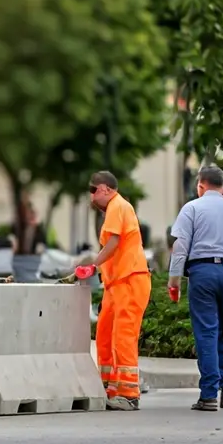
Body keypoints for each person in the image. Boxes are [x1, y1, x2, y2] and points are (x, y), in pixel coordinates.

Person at [168, 165, 223, 411]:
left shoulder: (192, 208)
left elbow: (181, 247)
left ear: (200, 185)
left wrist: (174, 281)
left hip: (202, 272)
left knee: (206, 331)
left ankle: (208, 395)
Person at [86, 170, 151, 411]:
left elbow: (113, 243)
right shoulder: (115, 208)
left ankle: (128, 393)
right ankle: (109, 387)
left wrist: (92, 266)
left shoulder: (117, 206)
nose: (91, 196)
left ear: (106, 189)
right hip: (117, 284)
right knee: (104, 335)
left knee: (123, 337)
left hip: (130, 280)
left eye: (94, 190)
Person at [11, 200, 46, 283]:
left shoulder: (39, 230)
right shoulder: (21, 228)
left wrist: (40, 249)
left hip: (33, 259)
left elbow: (42, 243)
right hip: (20, 258)